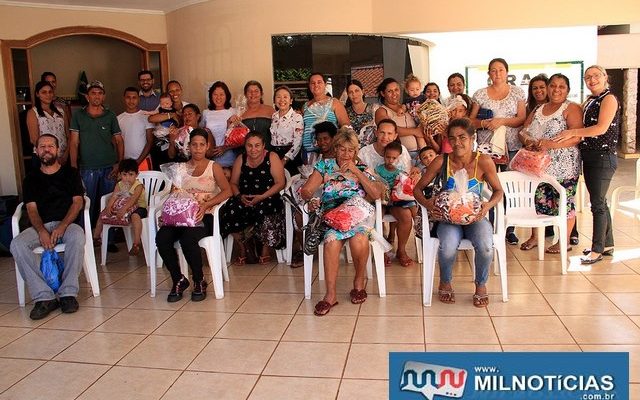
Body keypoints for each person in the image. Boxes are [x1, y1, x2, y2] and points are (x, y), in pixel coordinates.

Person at [414, 118, 504, 307]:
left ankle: (481, 285)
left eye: (462, 137)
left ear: (472, 138)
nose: (457, 143)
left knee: (486, 246)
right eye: (452, 138)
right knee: (447, 246)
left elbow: (498, 191)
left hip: (475, 219)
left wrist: (487, 206)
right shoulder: (441, 161)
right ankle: (445, 281)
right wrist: (430, 205)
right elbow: (417, 189)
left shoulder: (484, 161)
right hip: (447, 219)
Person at [300, 128, 383, 315]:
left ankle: (359, 282)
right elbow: (307, 190)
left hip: (357, 215)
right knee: (331, 242)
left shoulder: (361, 168)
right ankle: (330, 295)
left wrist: (356, 171)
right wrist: (311, 198)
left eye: (351, 150)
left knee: (359, 239)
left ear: (356, 152)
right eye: (342, 149)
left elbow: (376, 194)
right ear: (336, 148)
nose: (346, 154)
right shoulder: (325, 166)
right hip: (333, 217)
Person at [10, 134, 85, 320]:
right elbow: (31, 209)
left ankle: (68, 294)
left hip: (67, 224)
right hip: (40, 226)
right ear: (36, 151)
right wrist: (42, 231)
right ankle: (44, 297)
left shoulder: (71, 173)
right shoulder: (31, 179)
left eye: (50, 146)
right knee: (17, 244)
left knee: (77, 237)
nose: (46, 149)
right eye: (42, 146)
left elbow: (77, 203)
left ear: (57, 149)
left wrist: (63, 225)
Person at [552, 65, 620, 265]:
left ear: (605, 77)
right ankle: (607, 244)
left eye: (596, 76)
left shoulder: (609, 99)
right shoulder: (591, 100)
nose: (592, 80)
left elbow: (600, 128)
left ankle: (597, 250)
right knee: (600, 201)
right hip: (589, 156)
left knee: (597, 204)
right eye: (587, 77)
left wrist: (572, 133)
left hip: (602, 157)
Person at [156, 129, 232, 302]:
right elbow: (174, 194)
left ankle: (199, 280)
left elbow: (228, 191)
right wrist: (166, 214)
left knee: (188, 238)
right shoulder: (180, 169)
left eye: (201, 145)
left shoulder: (214, 167)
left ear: (207, 146)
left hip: (203, 215)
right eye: (194, 145)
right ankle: (178, 279)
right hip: (180, 216)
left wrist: (206, 205)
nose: (198, 149)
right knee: (162, 237)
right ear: (189, 146)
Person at [517, 73, 583, 254]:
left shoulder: (571, 108)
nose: (556, 89)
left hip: (564, 166)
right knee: (539, 201)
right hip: (539, 166)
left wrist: (550, 144)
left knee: (564, 202)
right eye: (553, 85)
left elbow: (576, 137)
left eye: (561, 86)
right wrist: (528, 140)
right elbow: (523, 131)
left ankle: (564, 241)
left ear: (567, 90)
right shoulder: (539, 109)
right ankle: (535, 237)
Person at [470, 58, 526, 245]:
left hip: (511, 146)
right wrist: (485, 123)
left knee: (509, 187)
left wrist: (501, 121)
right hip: (488, 147)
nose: (497, 74)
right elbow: (471, 121)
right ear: (488, 73)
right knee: (490, 186)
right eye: (493, 71)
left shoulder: (517, 92)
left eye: (501, 70)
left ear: (507, 72)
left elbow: (521, 119)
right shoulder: (480, 94)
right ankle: (489, 225)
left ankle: (509, 229)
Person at [220, 131, 286, 264]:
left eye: (257, 145)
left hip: (267, 196)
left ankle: (265, 249)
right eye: (249, 146)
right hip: (245, 197)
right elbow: (233, 183)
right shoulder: (241, 159)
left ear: (263, 146)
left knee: (267, 207)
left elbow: (280, 183)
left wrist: (262, 197)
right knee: (228, 209)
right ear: (245, 146)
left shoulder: (271, 157)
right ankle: (243, 247)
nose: (253, 149)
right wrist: (239, 196)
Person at [359, 119, 418, 266]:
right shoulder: (365, 152)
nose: (385, 137)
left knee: (406, 215)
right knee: (376, 215)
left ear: (395, 135)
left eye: (390, 133)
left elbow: (405, 174)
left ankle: (401, 250)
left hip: (397, 197)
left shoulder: (401, 150)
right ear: (376, 133)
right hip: (373, 198)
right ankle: (382, 250)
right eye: (382, 133)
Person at [69, 80, 123, 227]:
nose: (96, 96)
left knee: (108, 203)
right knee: (87, 203)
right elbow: (73, 143)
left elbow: (119, 141)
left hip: (109, 167)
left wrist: (119, 163)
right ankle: (86, 237)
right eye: (93, 93)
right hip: (87, 168)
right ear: (87, 97)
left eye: (100, 93)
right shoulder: (78, 116)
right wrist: (74, 168)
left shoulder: (110, 116)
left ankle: (107, 237)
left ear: (104, 96)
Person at [92, 158, 147, 255]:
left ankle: (136, 243)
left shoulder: (138, 186)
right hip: (122, 207)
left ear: (136, 175)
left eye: (131, 175)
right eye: (124, 175)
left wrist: (124, 209)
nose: (127, 178)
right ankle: (96, 237)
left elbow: (133, 199)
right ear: (120, 174)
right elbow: (114, 196)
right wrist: (109, 207)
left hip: (138, 207)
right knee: (102, 214)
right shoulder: (119, 184)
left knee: (135, 217)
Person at [301, 72, 350, 163]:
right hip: (309, 152)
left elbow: (345, 125)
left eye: (319, 82)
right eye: (313, 83)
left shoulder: (335, 103)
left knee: (329, 175)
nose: (316, 85)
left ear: (325, 85)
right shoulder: (305, 107)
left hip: (330, 151)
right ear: (309, 86)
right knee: (310, 175)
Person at [375, 77, 425, 159]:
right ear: (383, 93)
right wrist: (415, 131)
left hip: (421, 154)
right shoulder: (382, 111)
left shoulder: (408, 106)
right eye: (389, 91)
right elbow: (389, 130)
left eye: (396, 90)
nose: (394, 93)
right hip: (399, 156)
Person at [26, 81, 69, 167]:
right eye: (44, 92)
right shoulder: (33, 113)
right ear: (37, 94)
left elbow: (68, 134)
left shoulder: (61, 111)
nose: (48, 95)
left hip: (63, 156)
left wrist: (66, 155)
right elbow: (34, 139)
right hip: (43, 158)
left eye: (50, 92)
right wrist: (52, 158)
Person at [148, 80, 189, 170]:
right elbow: (151, 119)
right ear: (167, 93)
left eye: (177, 90)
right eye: (171, 91)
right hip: (162, 146)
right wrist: (171, 115)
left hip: (181, 146)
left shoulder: (187, 106)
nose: (175, 93)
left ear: (181, 90)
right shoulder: (163, 106)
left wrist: (177, 117)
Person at [201, 81, 237, 169]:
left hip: (229, 155)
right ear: (211, 96)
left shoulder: (233, 111)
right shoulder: (206, 113)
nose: (218, 98)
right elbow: (202, 133)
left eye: (221, 94)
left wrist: (225, 148)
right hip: (210, 156)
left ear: (227, 96)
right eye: (215, 94)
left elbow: (238, 137)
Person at [117, 87, 154, 171]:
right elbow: (117, 142)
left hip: (143, 161)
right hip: (125, 163)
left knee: (144, 184)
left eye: (134, 98)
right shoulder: (118, 119)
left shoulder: (146, 116)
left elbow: (150, 141)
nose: (131, 100)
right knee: (127, 184)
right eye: (128, 97)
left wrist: (137, 162)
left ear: (139, 99)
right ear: (124, 98)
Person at [270, 86, 303, 176]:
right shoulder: (274, 116)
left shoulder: (297, 117)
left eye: (285, 97)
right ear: (274, 100)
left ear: (291, 100)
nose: (282, 100)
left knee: (291, 183)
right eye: (278, 97)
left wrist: (285, 159)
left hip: (290, 156)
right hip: (275, 154)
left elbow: (298, 142)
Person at [236, 80, 275, 147]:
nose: (253, 93)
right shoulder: (240, 112)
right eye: (249, 91)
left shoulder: (270, 110)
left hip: (267, 150)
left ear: (261, 94)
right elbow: (234, 135)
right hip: (245, 151)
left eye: (256, 91)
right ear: (245, 94)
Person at [345, 80, 376, 148]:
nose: (354, 94)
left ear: (363, 91)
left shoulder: (374, 108)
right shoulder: (345, 112)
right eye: (351, 92)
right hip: (352, 149)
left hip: (370, 150)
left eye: (357, 91)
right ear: (348, 94)